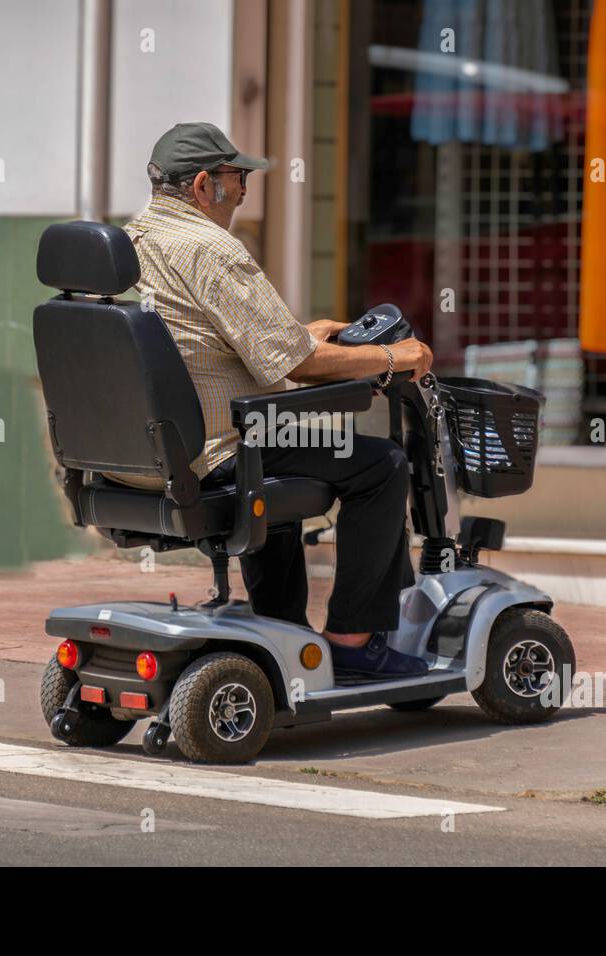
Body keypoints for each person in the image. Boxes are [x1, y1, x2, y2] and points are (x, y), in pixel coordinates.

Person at [121, 122, 434, 680]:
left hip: (148, 458)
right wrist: (394, 358)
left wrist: (299, 335)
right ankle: (353, 640)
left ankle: (283, 629)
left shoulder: (137, 241)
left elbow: (204, 339)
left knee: (276, 446)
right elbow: (298, 365)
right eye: (237, 177)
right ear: (203, 187)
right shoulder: (211, 250)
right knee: (382, 465)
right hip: (217, 451)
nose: (243, 190)